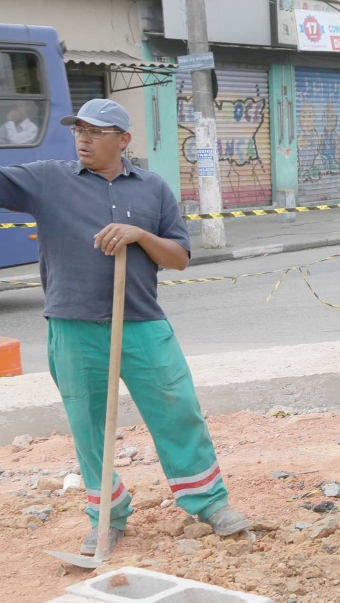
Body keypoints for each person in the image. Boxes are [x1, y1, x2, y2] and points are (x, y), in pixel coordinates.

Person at [0, 99, 250, 557]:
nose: (83, 139)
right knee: (89, 426)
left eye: (95, 132)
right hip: (73, 325)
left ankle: (209, 503)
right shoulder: (48, 179)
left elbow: (178, 257)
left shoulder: (153, 189)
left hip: (141, 321)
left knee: (178, 408)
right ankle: (107, 517)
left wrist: (139, 236)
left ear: (123, 140)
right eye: (78, 130)